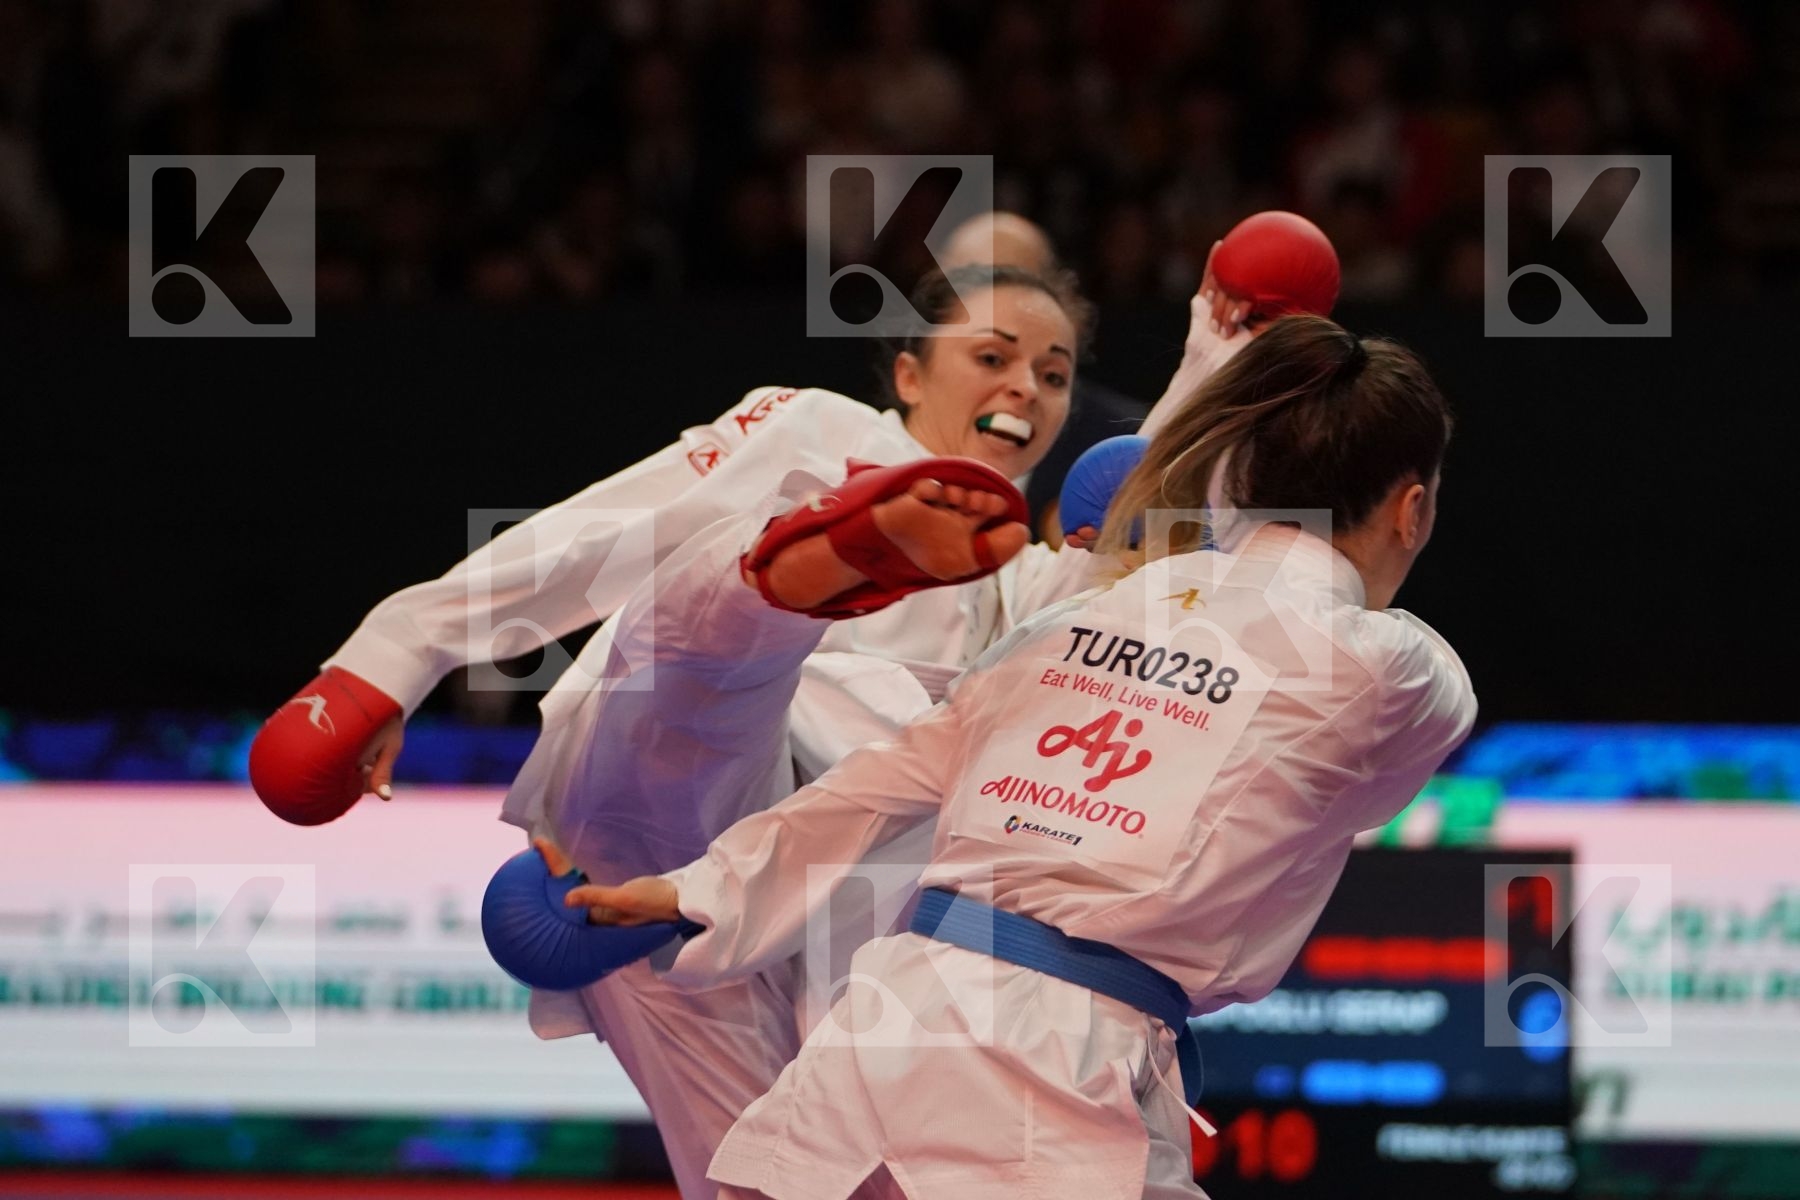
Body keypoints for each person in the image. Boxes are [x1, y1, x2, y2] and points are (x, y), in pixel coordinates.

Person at [561, 314, 1477, 1200]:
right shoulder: (1393, 670)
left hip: (886, 1031)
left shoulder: (1076, 614)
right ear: (1414, 510)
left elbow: (892, 777)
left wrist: (700, 888)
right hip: (1046, 1069)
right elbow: (1363, 792)